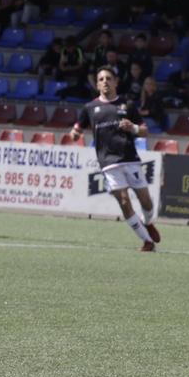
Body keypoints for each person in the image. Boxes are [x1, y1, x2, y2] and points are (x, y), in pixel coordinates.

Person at [67, 67, 163, 252]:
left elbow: (144, 130)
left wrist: (133, 128)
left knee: (146, 201)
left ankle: (148, 223)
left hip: (130, 159)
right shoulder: (89, 108)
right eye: (101, 79)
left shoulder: (127, 104)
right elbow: (77, 129)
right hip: (108, 163)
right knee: (124, 202)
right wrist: (74, 134)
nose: (105, 81)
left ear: (116, 82)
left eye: (108, 78)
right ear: (97, 84)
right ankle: (146, 241)